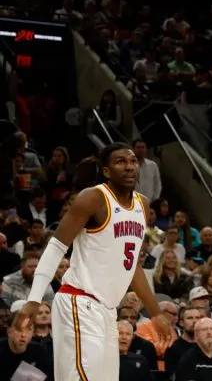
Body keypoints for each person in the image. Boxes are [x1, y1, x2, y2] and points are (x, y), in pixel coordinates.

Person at [20, 142, 172, 381]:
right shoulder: (94, 198)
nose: (130, 167)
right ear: (106, 171)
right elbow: (56, 247)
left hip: (108, 311)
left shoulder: (142, 204)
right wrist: (34, 298)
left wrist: (156, 313)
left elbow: (132, 266)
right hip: (79, 302)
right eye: (121, 162)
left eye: (133, 161)